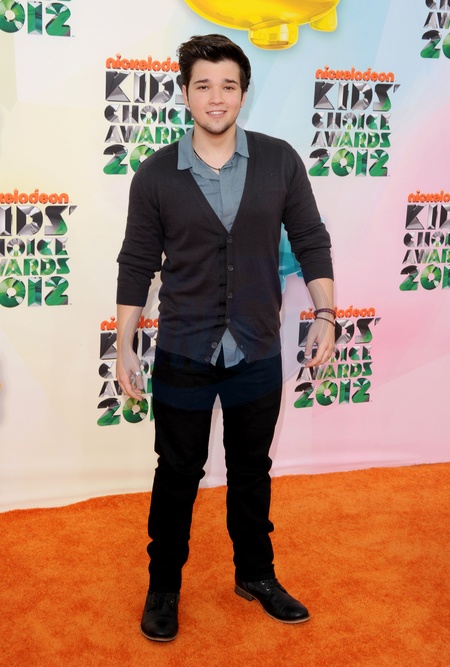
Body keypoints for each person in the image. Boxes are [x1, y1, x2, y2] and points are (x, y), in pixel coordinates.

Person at [116, 33, 335, 642]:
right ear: (185, 94)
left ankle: (256, 575)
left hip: (257, 348)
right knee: (176, 472)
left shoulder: (280, 161)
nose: (217, 97)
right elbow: (137, 263)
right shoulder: (156, 173)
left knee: (251, 470)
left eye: (229, 86)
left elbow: (311, 239)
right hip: (185, 349)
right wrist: (124, 344)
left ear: (243, 94)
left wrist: (325, 314)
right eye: (204, 86)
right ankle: (163, 586)